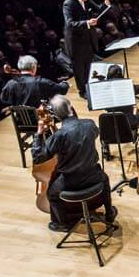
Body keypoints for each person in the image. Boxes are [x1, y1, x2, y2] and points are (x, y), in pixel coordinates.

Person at [31, 95, 117, 232]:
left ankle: (62, 224)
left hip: (71, 182)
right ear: (71, 108)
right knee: (105, 179)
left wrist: (39, 133)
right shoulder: (89, 124)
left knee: (51, 194)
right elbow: (91, 134)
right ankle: (109, 213)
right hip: (94, 176)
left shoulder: (59, 136)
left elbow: (38, 157)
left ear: (56, 116)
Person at [62, 0, 111, 99]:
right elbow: (69, 23)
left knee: (88, 65)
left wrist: (106, 2)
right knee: (79, 68)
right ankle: (82, 91)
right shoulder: (68, 3)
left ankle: (89, 86)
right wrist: (87, 22)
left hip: (87, 38)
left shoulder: (86, 0)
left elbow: (99, 9)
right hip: (76, 41)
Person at [105, 64, 139, 152]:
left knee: (105, 118)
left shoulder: (104, 91)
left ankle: (105, 148)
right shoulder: (127, 87)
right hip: (128, 124)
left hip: (110, 127)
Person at [0, 55, 69, 108]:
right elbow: (62, 90)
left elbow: (3, 99)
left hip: (21, 120)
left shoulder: (11, 83)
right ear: (33, 66)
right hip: (42, 117)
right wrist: (65, 83)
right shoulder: (40, 82)